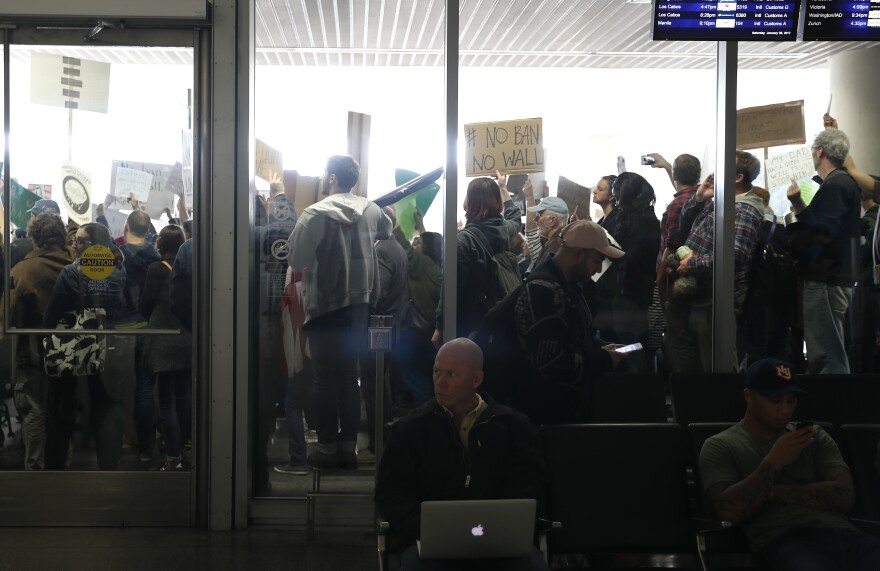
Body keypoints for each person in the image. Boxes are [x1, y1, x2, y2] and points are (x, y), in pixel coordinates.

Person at [375, 338, 550, 571]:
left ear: (476, 379)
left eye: (452, 374)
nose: (440, 382)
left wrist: (498, 524)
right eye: (437, 372)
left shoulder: (514, 427)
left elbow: (529, 484)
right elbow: (391, 493)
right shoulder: (410, 429)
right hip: (429, 545)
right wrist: (424, 527)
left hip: (500, 543)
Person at [699, 358, 880, 570]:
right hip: (785, 539)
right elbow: (728, 511)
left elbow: (845, 495)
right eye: (775, 401)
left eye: (791, 401)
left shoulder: (813, 436)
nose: (785, 410)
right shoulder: (720, 445)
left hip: (847, 534)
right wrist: (773, 462)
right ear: (749, 396)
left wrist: (771, 492)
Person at [288, 154, 391, 469]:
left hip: (324, 306)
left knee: (323, 379)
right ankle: (349, 449)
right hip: (360, 306)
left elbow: (296, 257)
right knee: (350, 377)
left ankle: (328, 449)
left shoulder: (314, 214)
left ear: (331, 178)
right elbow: (387, 229)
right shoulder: (370, 210)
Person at [513, 220, 625, 424]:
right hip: (547, 419)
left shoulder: (568, 286)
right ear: (579, 254)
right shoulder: (544, 291)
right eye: (598, 260)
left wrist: (599, 349)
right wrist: (603, 359)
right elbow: (552, 363)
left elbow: (572, 341)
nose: (599, 268)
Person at [43, 223, 127, 470]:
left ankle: (57, 466)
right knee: (106, 404)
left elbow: (51, 315)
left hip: (74, 345)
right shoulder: (119, 270)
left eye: (79, 241)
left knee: (63, 407)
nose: (74, 245)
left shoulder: (71, 273)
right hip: (110, 344)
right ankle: (109, 465)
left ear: (92, 246)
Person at [672, 151, 765, 372]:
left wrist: (691, 264)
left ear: (737, 177)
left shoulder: (744, 210)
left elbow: (736, 257)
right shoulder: (724, 202)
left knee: (717, 367)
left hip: (717, 301)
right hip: (702, 296)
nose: (715, 173)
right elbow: (684, 226)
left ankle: (725, 407)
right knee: (700, 366)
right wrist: (700, 198)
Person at [0, 213, 73, 469]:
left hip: (33, 350)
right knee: (64, 408)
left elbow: (6, 316)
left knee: (34, 409)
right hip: (72, 351)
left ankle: (35, 468)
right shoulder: (76, 264)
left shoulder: (23, 270)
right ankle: (62, 462)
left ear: (35, 239)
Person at [786, 128, 860, 374]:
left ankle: (834, 410)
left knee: (826, 354)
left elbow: (824, 231)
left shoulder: (837, 184)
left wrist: (798, 205)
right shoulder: (840, 182)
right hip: (832, 277)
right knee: (825, 350)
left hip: (827, 279)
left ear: (820, 151)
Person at [434, 173, 522, 340]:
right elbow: (515, 217)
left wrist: (440, 326)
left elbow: (452, 287)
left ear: (470, 202)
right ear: (498, 202)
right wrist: (503, 188)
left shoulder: (463, 240)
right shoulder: (505, 230)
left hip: (471, 326)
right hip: (500, 323)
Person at [357, 206, 407, 464]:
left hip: (378, 327)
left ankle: (379, 446)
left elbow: (379, 292)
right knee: (379, 387)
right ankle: (382, 442)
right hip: (389, 326)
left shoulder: (385, 250)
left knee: (373, 387)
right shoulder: (395, 246)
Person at [140, 225, 192, 471]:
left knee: (165, 401)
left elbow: (146, 303)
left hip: (162, 336)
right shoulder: (189, 266)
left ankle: (172, 457)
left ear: (162, 244)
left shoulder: (155, 269)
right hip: (185, 335)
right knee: (183, 397)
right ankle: (184, 447)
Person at [609, 172, 660, 369]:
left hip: (631, 295)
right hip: (631, 294)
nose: (615, 197)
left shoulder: (642, 221)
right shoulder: (641, 217)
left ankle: (638, 389)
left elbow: (630, 258)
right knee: (632, 346)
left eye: (618, 191)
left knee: (632, 348)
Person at [394, 210, 442, 408]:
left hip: (412, 331)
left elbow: (402, 243)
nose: (416, 244)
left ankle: (425, 422)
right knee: (426, 377)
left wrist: (396, 216)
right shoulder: (437, 266)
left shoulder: (421, 264)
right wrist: (421, 226)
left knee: (415, 381)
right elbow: (429, 242)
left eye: (419, 242)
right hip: (428, 331)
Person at [648, 153, 702, 297]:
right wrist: (667, 166)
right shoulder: (703, 198)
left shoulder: (677, 204)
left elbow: (671, 245)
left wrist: (659, 278)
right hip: (696, 268)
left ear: (675, 176)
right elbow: (684, 191)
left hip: (675, 273)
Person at [525, 195, 569, 269]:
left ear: (552, 220)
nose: (535, 219)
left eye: (539, 215)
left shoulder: (553, 248)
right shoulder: (561, 241)